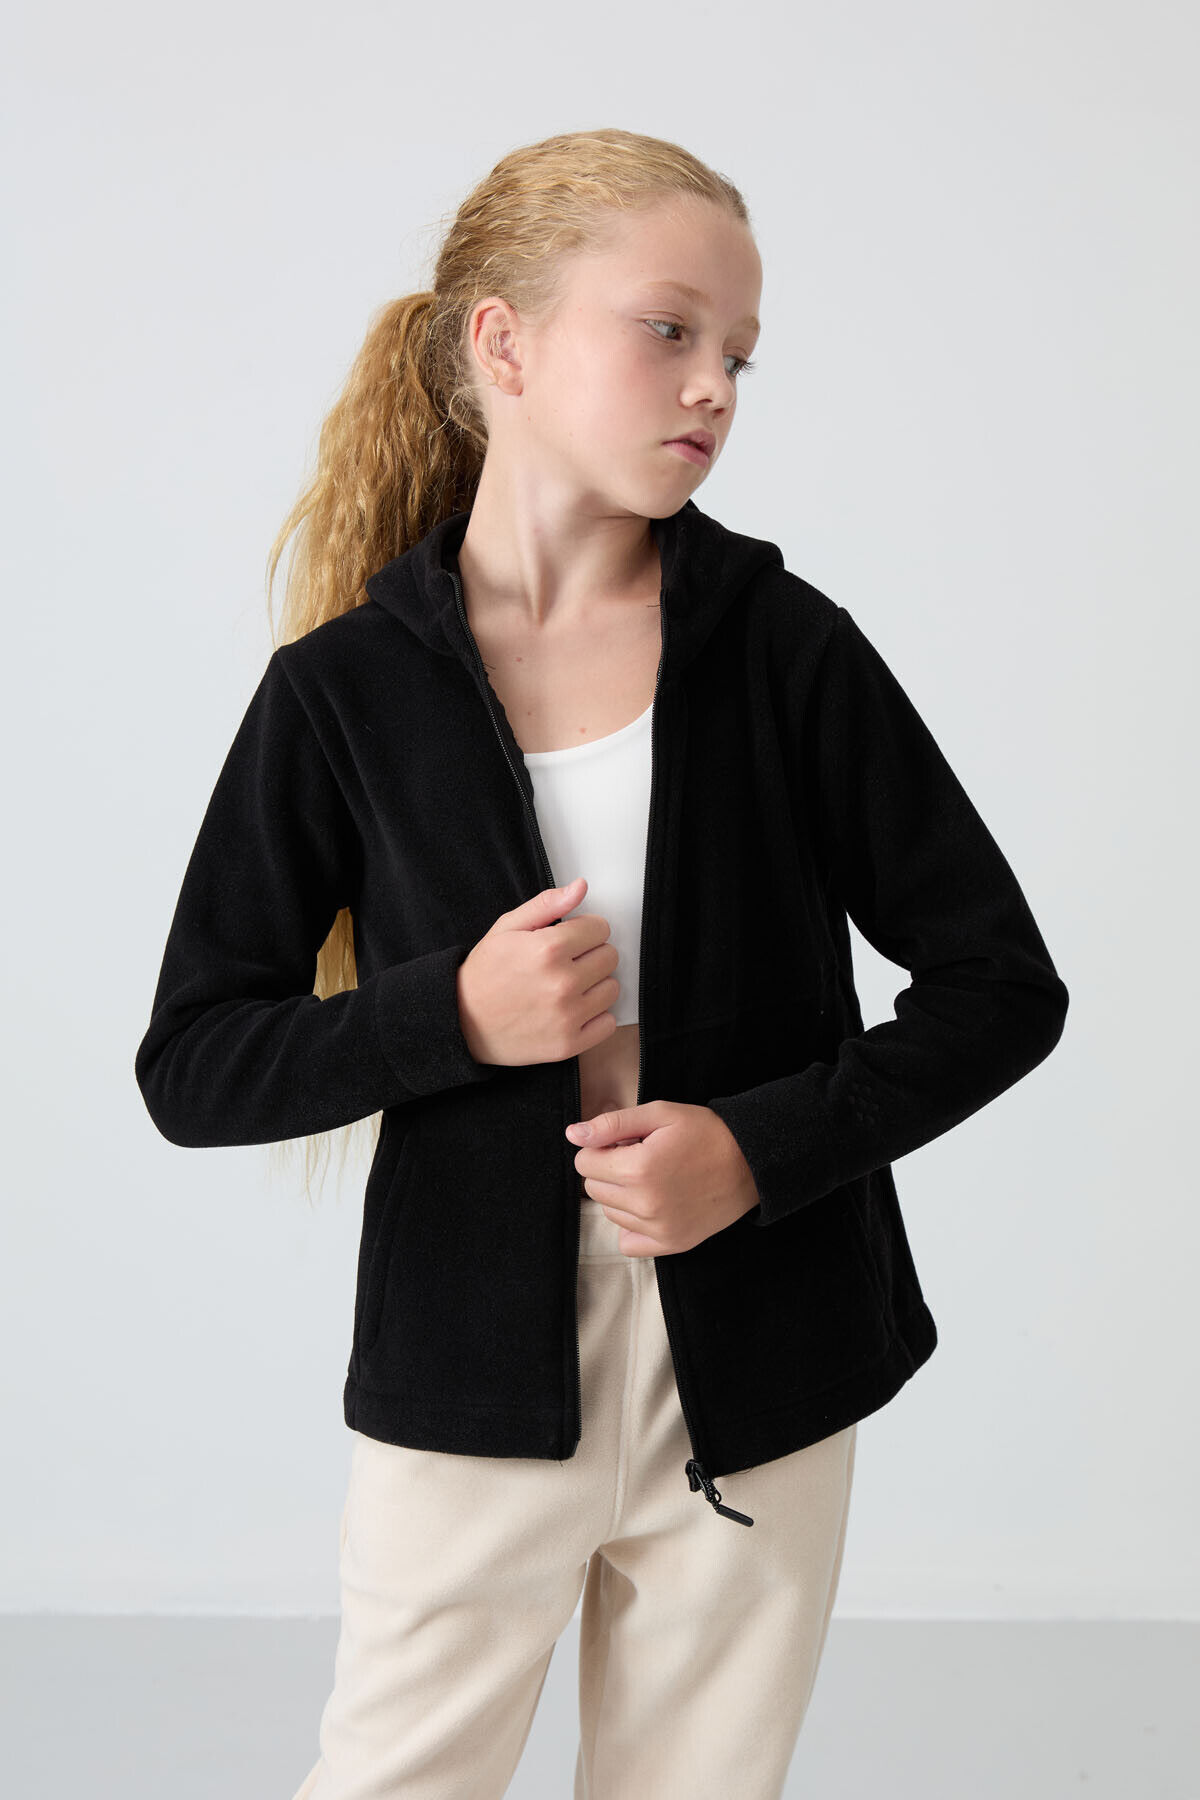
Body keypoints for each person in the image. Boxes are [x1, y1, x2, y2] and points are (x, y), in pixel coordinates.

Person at [133, 127, 1069, 1800]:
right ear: (502, 342)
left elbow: (1002, 987)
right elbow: (195, 1063)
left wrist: (756, 1152)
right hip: (472, 1361)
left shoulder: (787, 651)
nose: (714, 386)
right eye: (670, 330)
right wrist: (449, 1015)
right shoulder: (345, 693)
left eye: (739, 355)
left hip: (769, 1352)